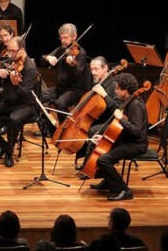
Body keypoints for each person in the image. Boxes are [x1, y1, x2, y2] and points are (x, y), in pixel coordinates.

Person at [88, 73, 148, 201]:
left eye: (117, 89)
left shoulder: (136, 105)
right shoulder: (128, 101)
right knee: (98, 146)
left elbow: (136, 131)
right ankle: (109, 182)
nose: (115, 91)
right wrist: (105, 137)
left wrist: (121, 119)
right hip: (127, 140)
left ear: (125, 91)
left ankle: (124, 190)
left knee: (103, 160)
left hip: (136, 145)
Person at [0, 36, 38, 167]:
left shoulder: (30, 68)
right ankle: (3, 145)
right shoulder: (11, 60)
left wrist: (16, 84)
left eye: (13, 51)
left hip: (25, 105)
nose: (10, 54)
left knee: (14, 119)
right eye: (9, 51)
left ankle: (9, 153)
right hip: (8, 103)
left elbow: (26, 93)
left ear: (22, 49)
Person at [72, 56, 121, 170]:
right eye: (91, 69)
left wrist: (104, 94)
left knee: (92, 130)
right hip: (100, 117)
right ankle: (88, 160)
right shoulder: (98, 82)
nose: (93, 72)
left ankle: (92, 165)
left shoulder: (114, 85)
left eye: (96, 69)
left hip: (111, 121)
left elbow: (118, 108)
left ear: (105, 68)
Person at [40, 23, 90, 123]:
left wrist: (71, 64)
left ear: (74, 36)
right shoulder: (61, 49)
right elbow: (41, 61)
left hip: (75, 89)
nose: (63, 41)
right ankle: (49, 124)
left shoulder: (81, 53)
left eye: (66, 38)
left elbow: (77, 75)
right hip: (60, 88)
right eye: (61, 38)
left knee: (60, 103)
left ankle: (64, 128)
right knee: (38, 96)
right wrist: (48, 58)